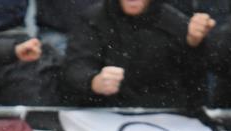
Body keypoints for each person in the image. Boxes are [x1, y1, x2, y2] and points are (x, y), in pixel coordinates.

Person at [61, 0, 215, 109]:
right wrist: (93, 81)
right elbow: (75, 66)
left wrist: (194, 44)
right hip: (105, 120)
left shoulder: (174, 22)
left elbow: (195, 82)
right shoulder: (93, 19)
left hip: (164, 121)